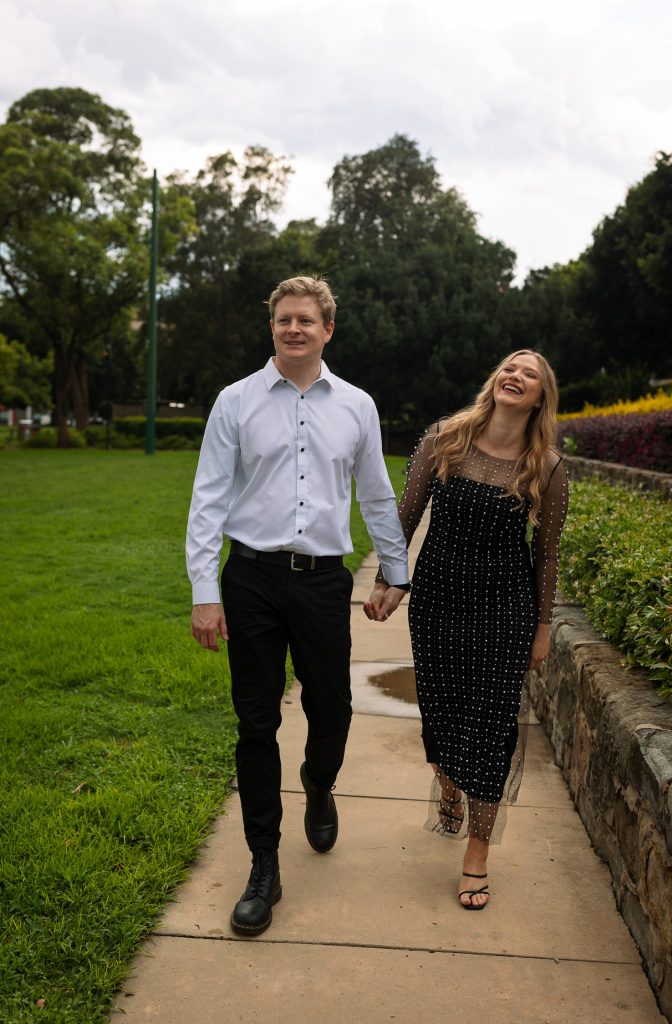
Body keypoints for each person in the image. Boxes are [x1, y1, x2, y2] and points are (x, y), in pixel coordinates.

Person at [186, 276, 410, 936]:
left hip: (320, 582)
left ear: (327, 329)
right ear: (273, 327)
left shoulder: (357, 407)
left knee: (330, 707)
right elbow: (208, 499)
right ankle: (263, 866)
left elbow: (375, 493)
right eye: (283, 319)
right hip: (251, 579)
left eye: (305, 319)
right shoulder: (236, 401)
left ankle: (318, 781)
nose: (293, 328)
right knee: (255, 723)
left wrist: (393, 572)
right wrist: (204, 593)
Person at [365, 349, 568, 910]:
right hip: (438, 600)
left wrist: (543, 626)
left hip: (505, 607)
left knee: (491, 725)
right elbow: (404, 518)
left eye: (530, 374)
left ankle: (477, 853)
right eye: (510, 367)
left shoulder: (546, 466)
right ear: (495, 380)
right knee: (441, 714)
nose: (516, 376)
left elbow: (546, 557)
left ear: (540, 398)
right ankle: (448, 781)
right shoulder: (443, 438)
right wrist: (389, 580)